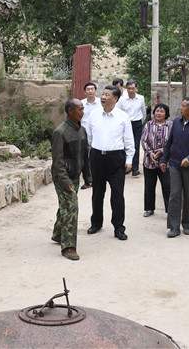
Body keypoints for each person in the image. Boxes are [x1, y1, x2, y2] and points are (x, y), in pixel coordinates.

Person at [86, 85, 135, 240]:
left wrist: (129, 160)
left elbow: (129, 140)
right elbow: (89, 137)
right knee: (97, 193)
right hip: (97, 158)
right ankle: (96, 223)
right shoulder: (94, 114)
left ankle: (119, 227)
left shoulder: (123, 117)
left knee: (117, 195)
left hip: (116, 159)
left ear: (115, 98)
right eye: (103, 94)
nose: (103, 97)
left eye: (107, 95)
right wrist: (90, 156)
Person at [50, 98, 92, 260]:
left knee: (66, 206)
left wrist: (88, 177)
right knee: (71, 208)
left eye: (83, 109)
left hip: (75, 176)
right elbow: (58, 161)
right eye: (80, 109)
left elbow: (85, 156)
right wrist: (65, 182)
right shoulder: (60, 132)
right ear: (70, 111)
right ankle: (68, 247)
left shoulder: (82, 130)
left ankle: (57, 234)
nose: (83, 112)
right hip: (63, 178)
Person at [161, 97, 189, 238]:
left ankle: (187, 224)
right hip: (175, 164)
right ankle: (174, 227)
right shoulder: (176, 121)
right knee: (174, 194)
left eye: (183, 106)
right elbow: (169, 142)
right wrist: (164, 159)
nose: (180, 108)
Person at [140, 103, 172, 217]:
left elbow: (173, 142)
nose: (159, 113)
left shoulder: (170, 125)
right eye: (157, 111)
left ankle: (170, 210)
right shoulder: (148, 124)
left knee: (167, 186)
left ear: (166, 114)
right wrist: (150, 152)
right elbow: (143, 140)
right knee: (149, 186)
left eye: (162, 111)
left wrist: (162, 151)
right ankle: (149, 209)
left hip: (165, 162)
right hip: (149, 161)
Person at [118, 80, 146, 176]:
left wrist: (141, 122)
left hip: (137, 124)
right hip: (126, 124)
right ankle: (126, 167)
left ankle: (135, 168)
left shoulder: (141, 98)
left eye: (133, 88)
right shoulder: (122, 99)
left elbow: (143, 111)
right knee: (124, 145)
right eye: (129, 89)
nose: (131, 90)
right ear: (126, 89)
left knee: (136, 145)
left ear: (136, 89)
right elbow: (118, 112)